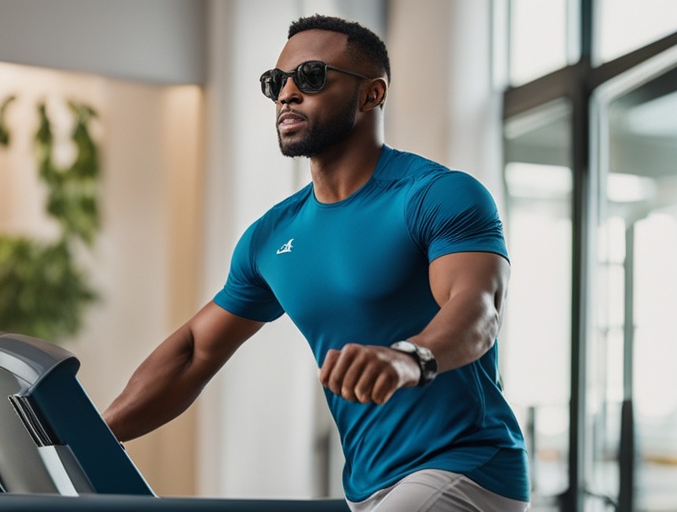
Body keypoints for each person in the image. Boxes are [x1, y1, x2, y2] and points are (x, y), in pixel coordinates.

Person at [103, 14, 529, 512]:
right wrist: (92, 431)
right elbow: (196, 350)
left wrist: (409, 357)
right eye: (275, 82)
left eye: (310, 77)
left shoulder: (437, 195)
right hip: (368, 485)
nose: (286, 94)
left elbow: (478, 309)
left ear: (372, 94)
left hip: (468, 467)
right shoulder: (272, 236)